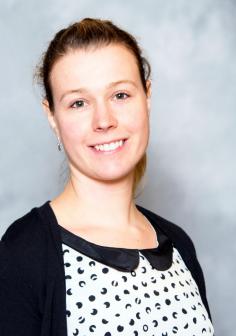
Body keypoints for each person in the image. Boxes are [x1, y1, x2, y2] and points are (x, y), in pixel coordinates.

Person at [0, 18, 214, 336]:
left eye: (120, 95)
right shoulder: (23, 254)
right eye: (79, 103)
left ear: (147, 96)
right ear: (53, 117)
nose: (104, 120)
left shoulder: (180, 245)